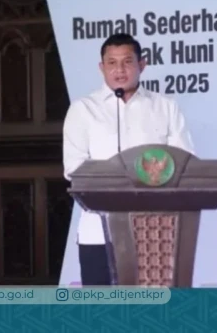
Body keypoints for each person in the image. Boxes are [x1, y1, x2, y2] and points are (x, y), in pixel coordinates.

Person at [62, 33, 195, 286]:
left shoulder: (165, 107)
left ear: (142, 64)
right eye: (112, 63)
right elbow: (74, 169)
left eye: (127, 61)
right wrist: (119, 178)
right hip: (98, 233)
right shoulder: (83, 110)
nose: (119, 70)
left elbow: (183, 161)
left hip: (155, 233)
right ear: (102, 67)